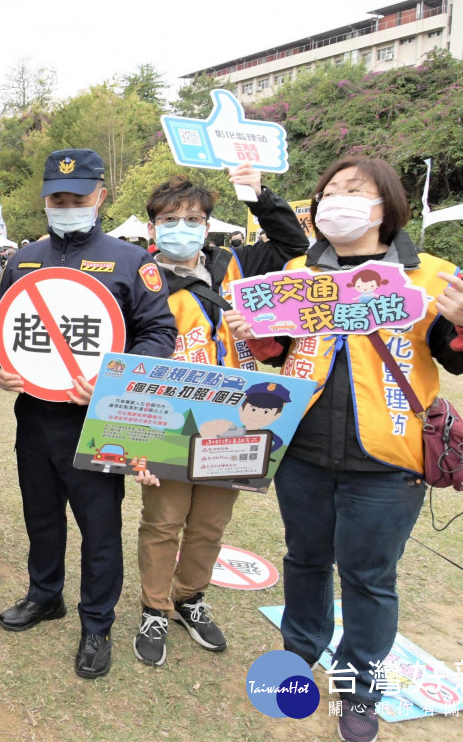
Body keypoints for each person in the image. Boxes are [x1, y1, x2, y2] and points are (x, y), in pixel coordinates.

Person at [225, 157, 463, 742]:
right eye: (329, 191)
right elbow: (280, 353)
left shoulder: (430, 277)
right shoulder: (299, 271)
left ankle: (359, 691)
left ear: (387, 205)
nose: (337, 201)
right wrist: (258, 336)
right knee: (304, 561)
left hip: (387, 465)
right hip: (301, 454)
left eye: (355, 190)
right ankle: (297, 660)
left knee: (369, 579)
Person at [0, 149, 177, 679]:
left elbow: (161, 334)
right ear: (44, 200)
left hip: (100, 419)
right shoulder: (22, 260)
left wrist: (112, 379)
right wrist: (0, 367)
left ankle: (97, 624)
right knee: (40, 514)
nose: (66, 206)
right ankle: (45, 594)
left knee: (99, 526)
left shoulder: (130, 260)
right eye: (57, 199)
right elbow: (2, 335)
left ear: (101, 196)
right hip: (36, 415)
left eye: (77, 198)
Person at [132, 166, 309, 668]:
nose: (180, 227)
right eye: (169, 219)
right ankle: (155, 607)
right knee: (163, 521)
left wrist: (257, 195)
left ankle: (190, 597)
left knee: (210, 522)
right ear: (152, 228)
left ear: (208, 225)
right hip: (169, 418)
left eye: (192, 218)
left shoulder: (236, 263)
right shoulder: (139, 275)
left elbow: (294, 244)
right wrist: (132, 441)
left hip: (237, 419)